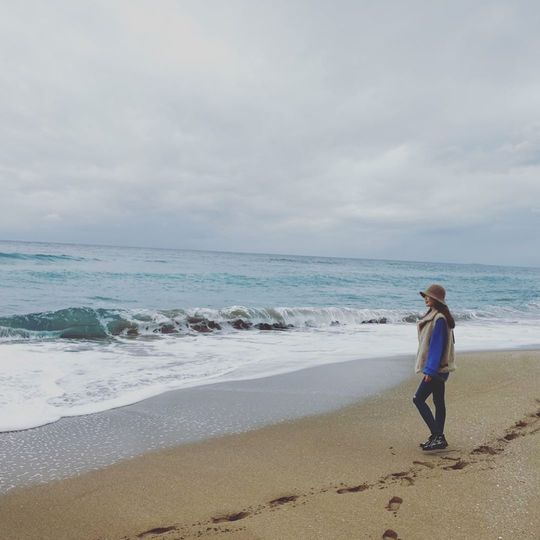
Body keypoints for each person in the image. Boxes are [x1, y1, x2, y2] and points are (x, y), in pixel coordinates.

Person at [413, 284, 456, 451]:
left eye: (428, 296)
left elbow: (437, 347)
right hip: (440, 369)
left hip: (436, 369)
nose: (425, 298)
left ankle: (438, 435)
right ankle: (437, 437)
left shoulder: (439, 318)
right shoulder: (435, 315)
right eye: (425, 295)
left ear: (436, 299)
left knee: (418, 399)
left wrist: (430, 371)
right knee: (438, 401)